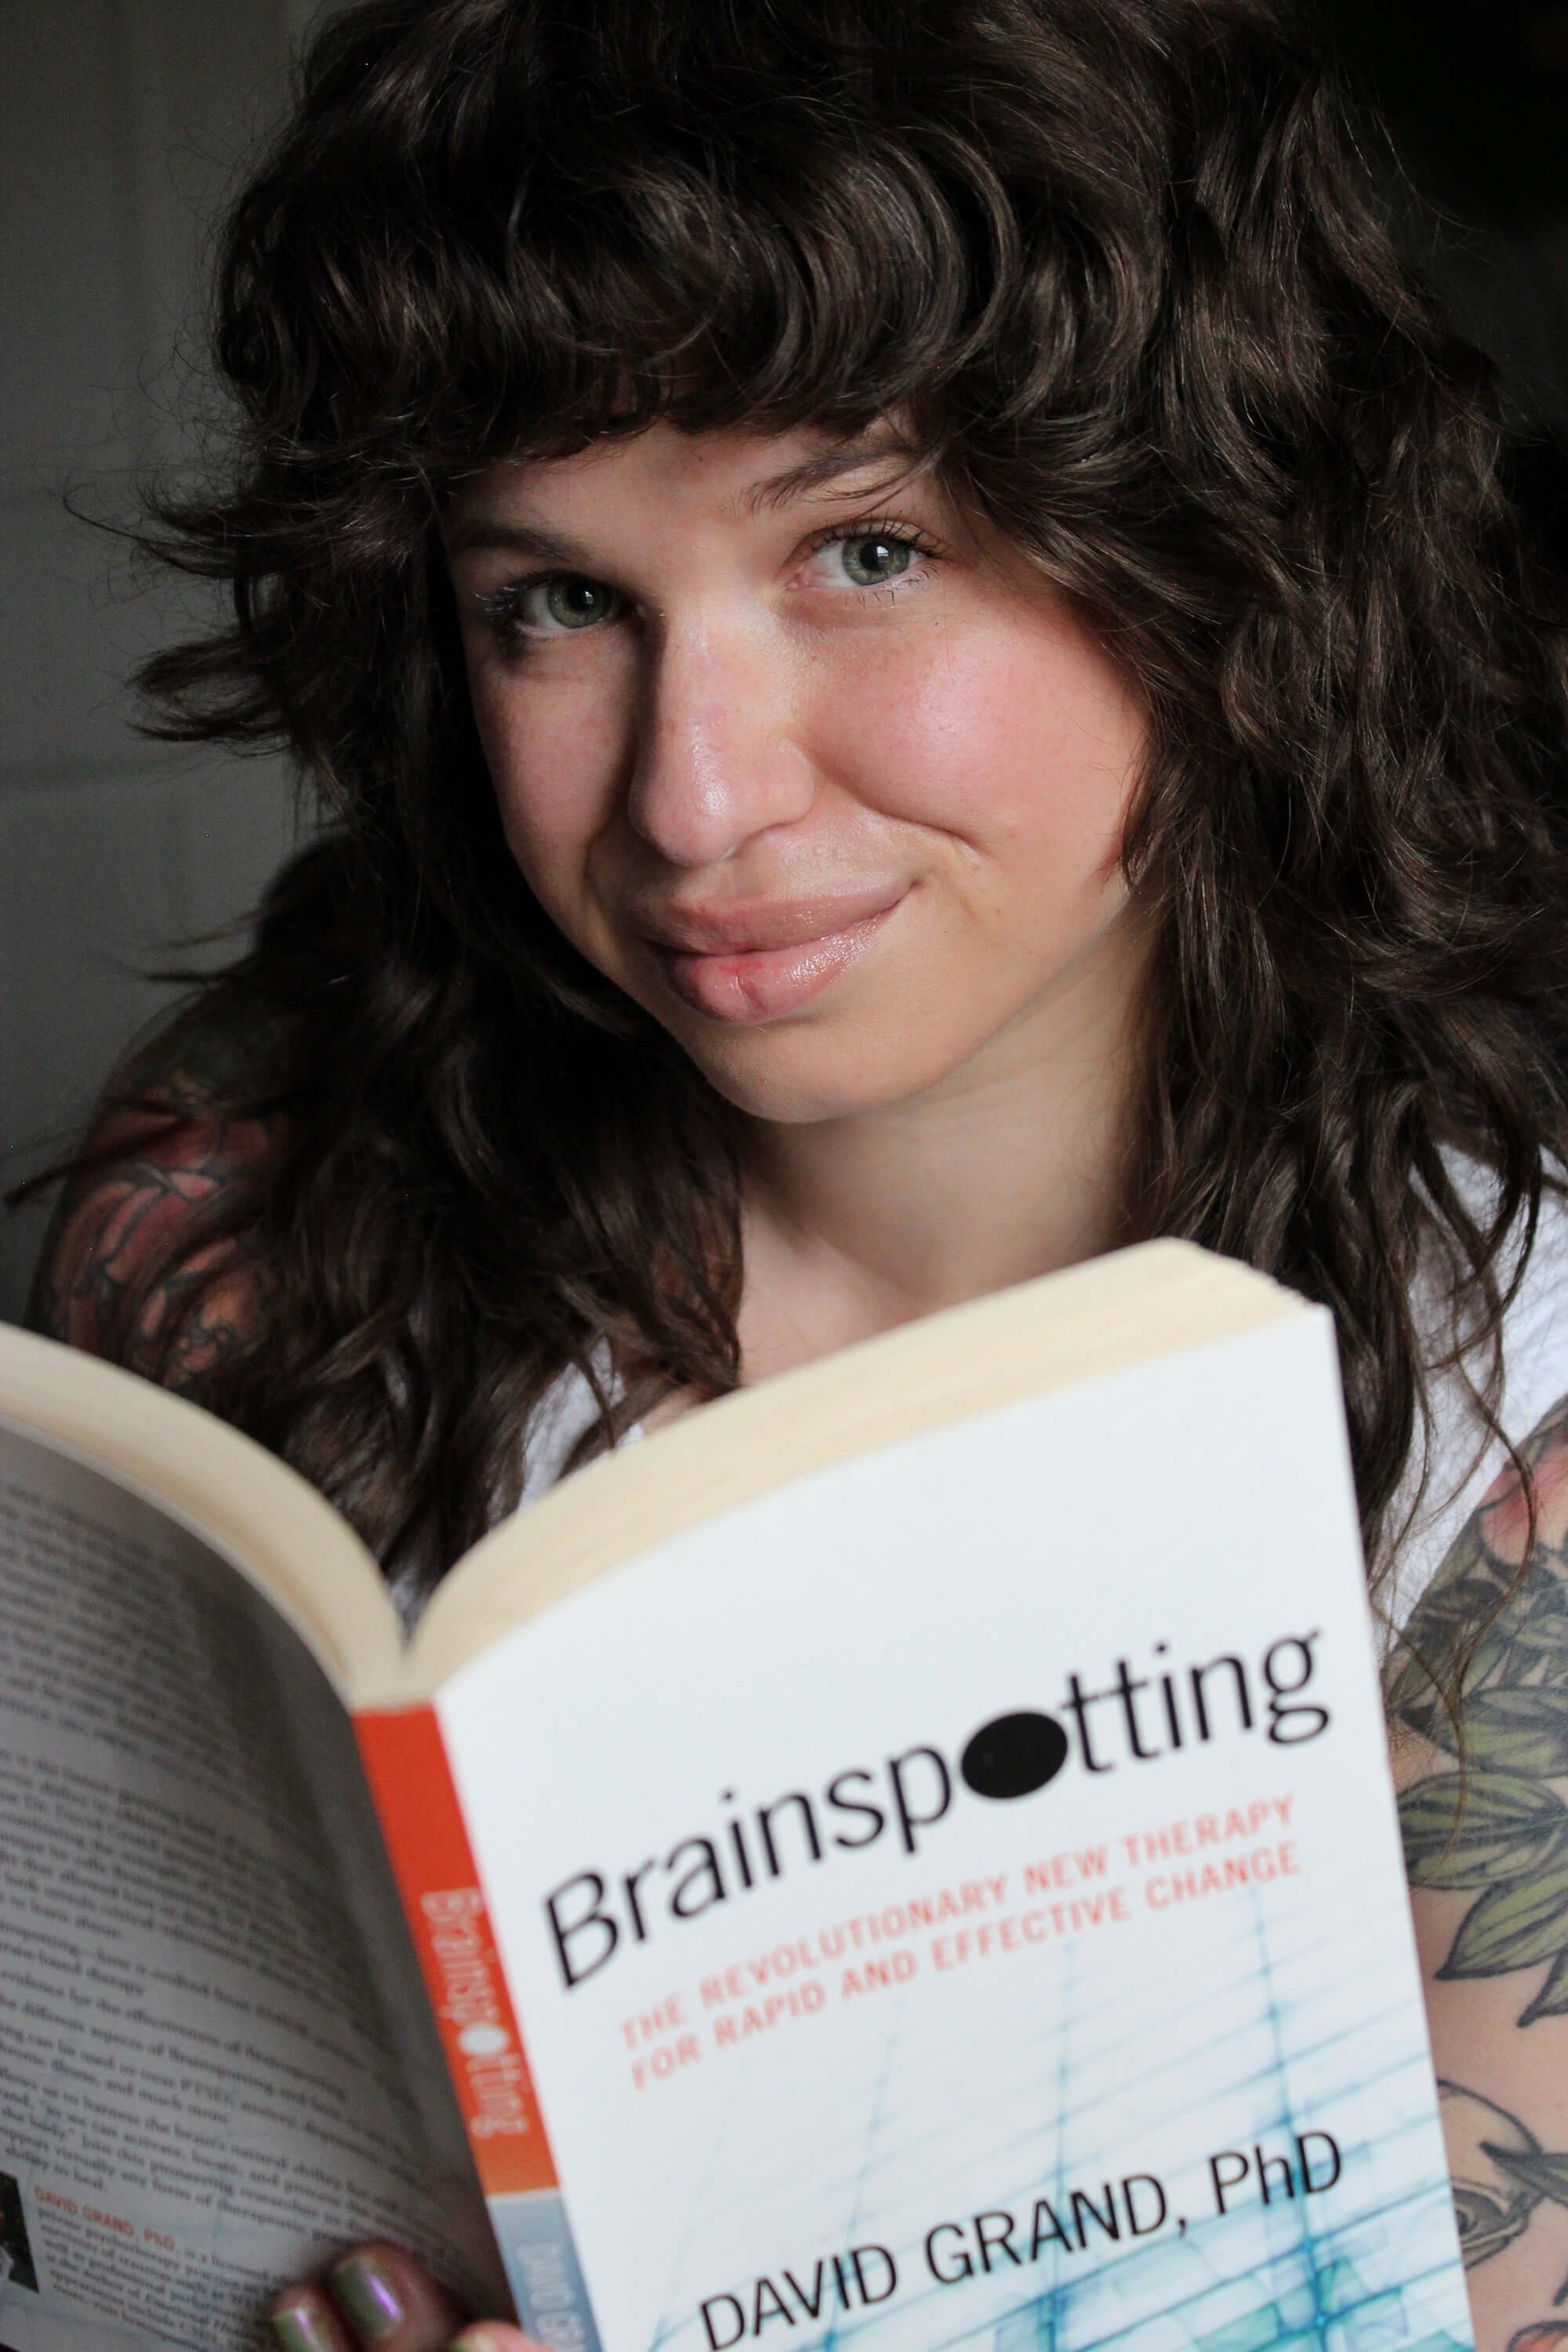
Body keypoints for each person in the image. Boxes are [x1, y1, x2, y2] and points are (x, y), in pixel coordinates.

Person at [24, 0, 1568, 2347]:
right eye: (558, 599)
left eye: (864, 548)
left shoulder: (1512, 1432)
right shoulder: (247, 1241)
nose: (692, 801)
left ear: (1219, 560)